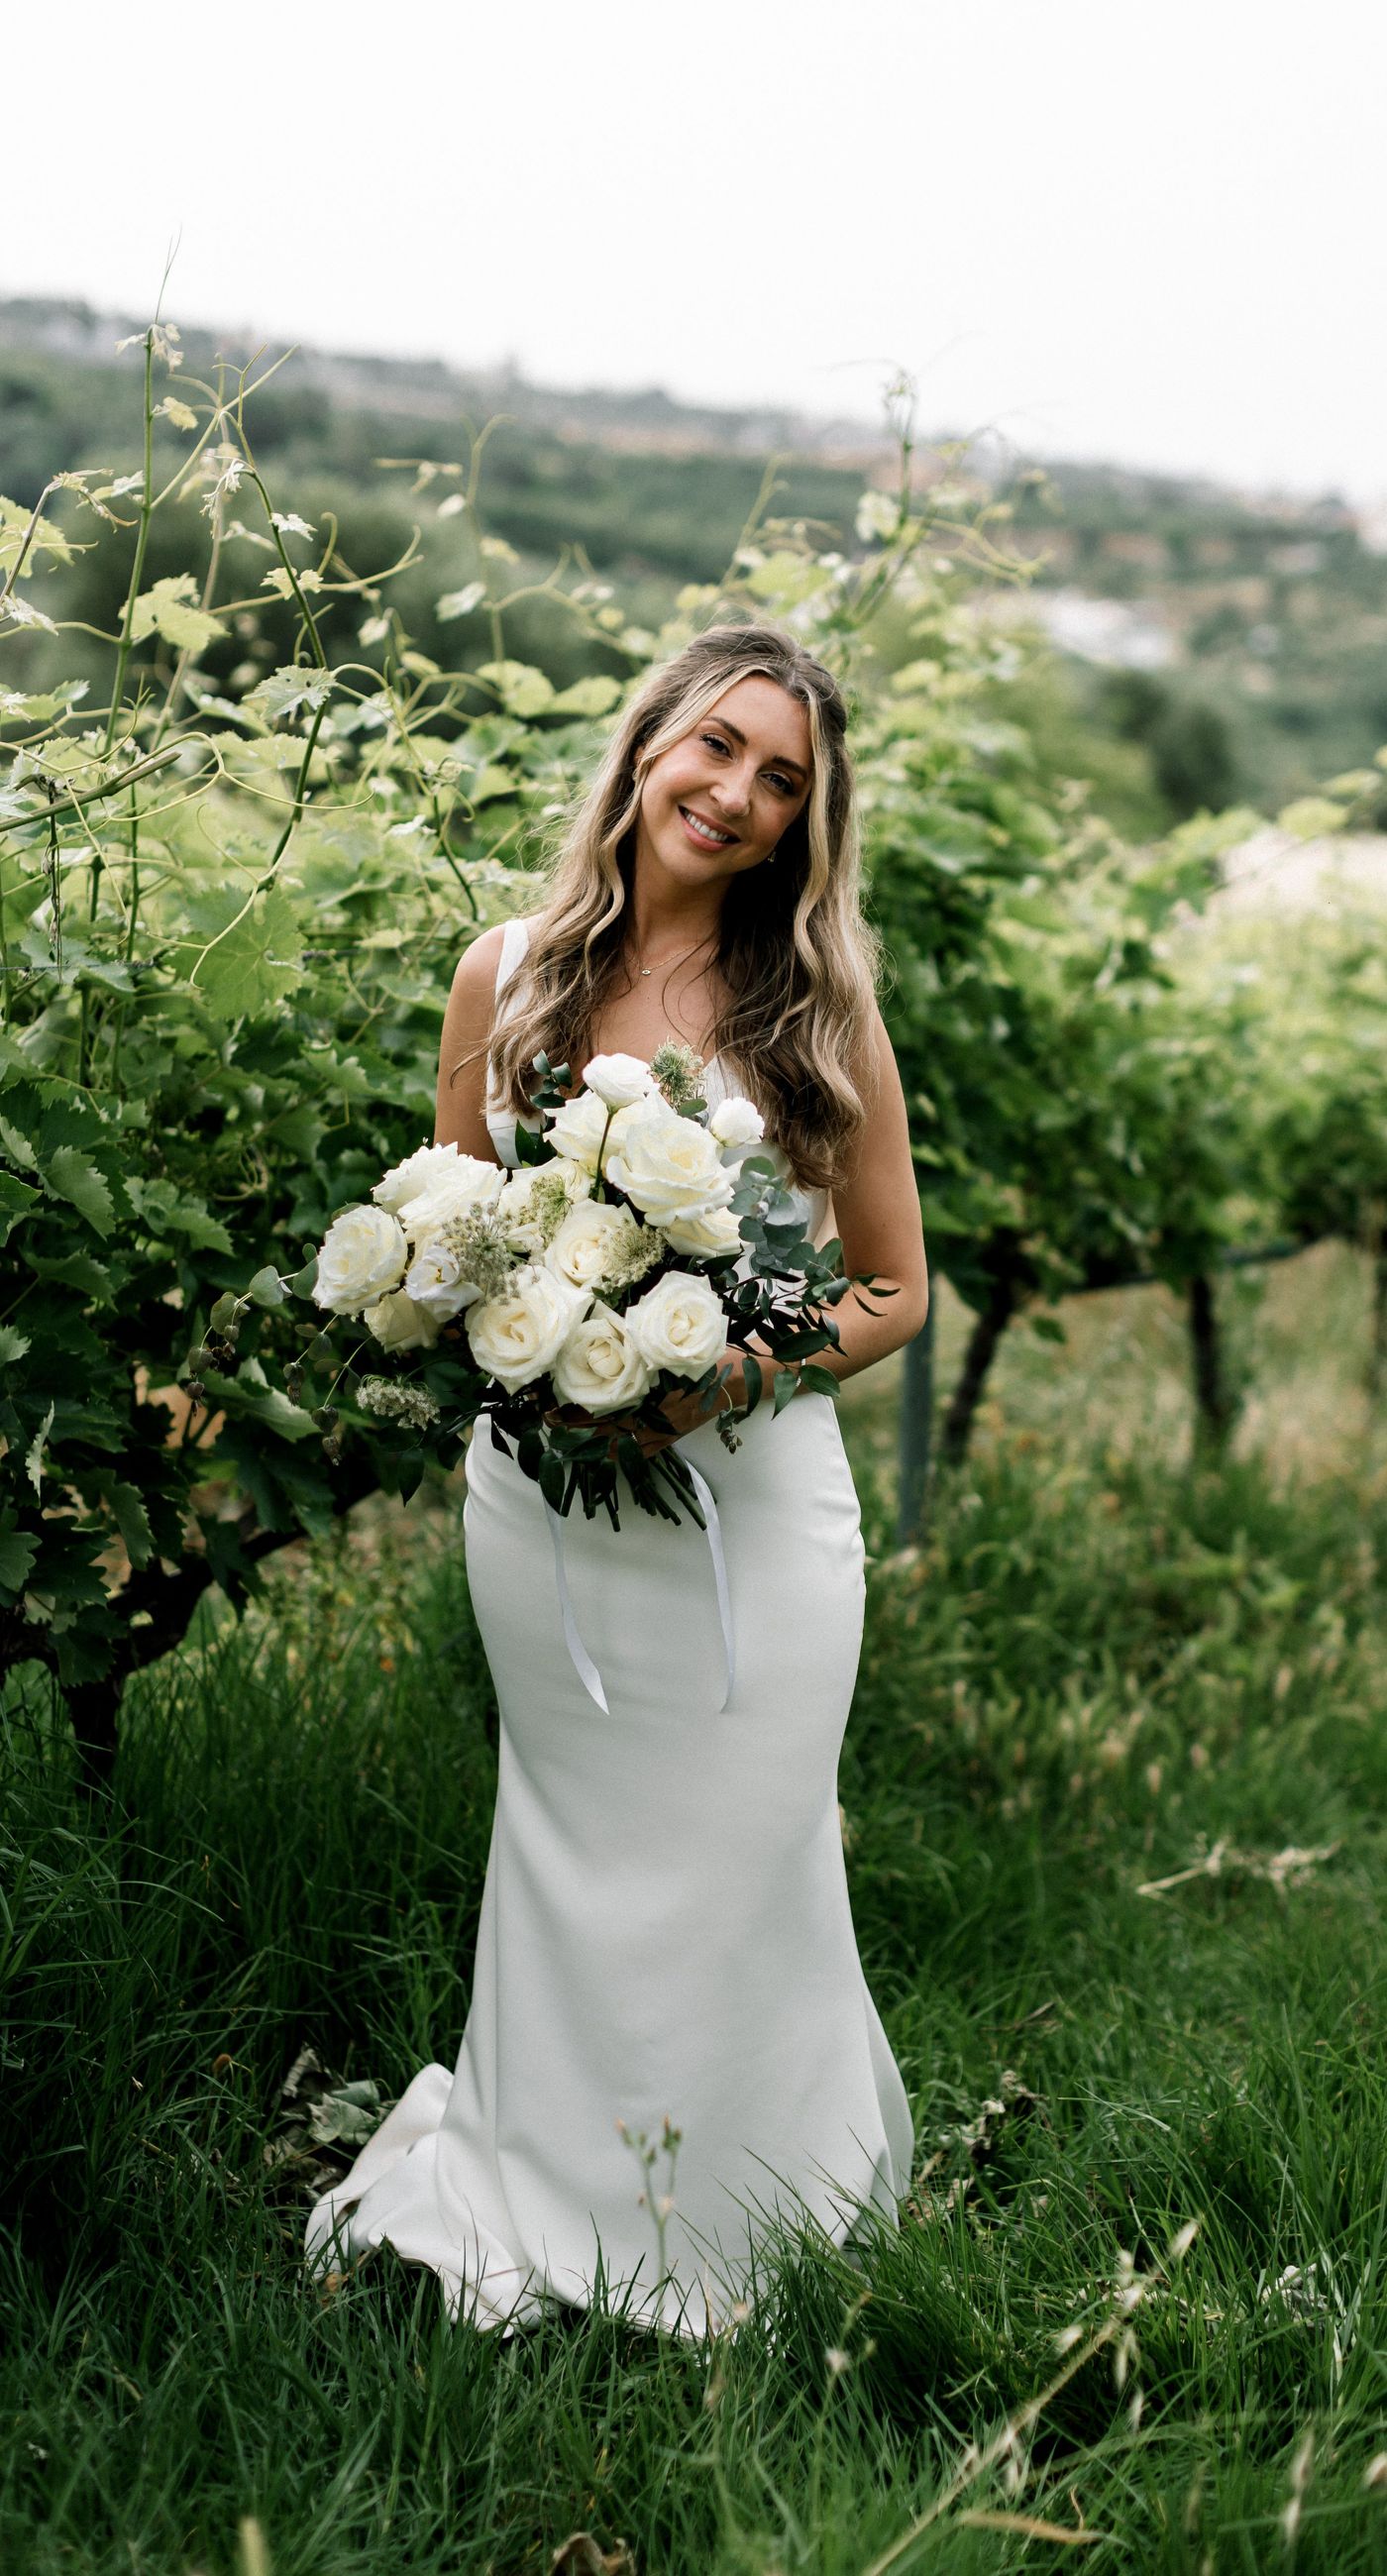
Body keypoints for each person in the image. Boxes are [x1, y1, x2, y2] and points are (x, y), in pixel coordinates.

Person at [305, 621, 930, 2336]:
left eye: (782, 780)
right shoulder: (501, 971)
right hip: (546, 1504)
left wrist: (732, 1360)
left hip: (760, 1518)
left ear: (807, 824)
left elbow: (891, 1288)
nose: (735, 793)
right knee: (570, 1844)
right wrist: (474, 1312)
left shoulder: (817, 1015)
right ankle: (552, 2193)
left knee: (747, 1847)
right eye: (715, 747)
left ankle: (751, 2222)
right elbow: (451, 1213)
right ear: (649, 744)